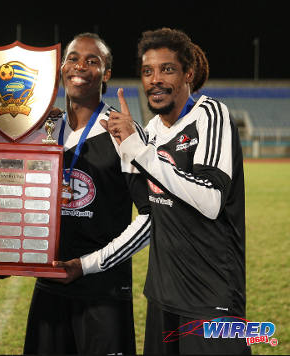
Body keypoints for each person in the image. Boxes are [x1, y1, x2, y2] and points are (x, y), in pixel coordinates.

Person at [86, 27, 249, 354]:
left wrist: (141, 151)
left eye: (167, 69)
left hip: (209, 298)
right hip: (162, 297)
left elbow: (211, 199)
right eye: (148, 71)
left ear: (188, 73)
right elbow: (150, 210)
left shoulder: (210, 114)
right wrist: (126, 151)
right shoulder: (150, 132)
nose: (155, 78)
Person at [21, 33, 151, 355]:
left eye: (93, 61)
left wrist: (88, 265)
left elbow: (152, 218)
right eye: (73, 58)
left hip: (103, 292)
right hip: (49, 286)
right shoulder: (45, 134)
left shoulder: (124, 132)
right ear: (62, 67)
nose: (80, 66)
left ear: (106, 74)